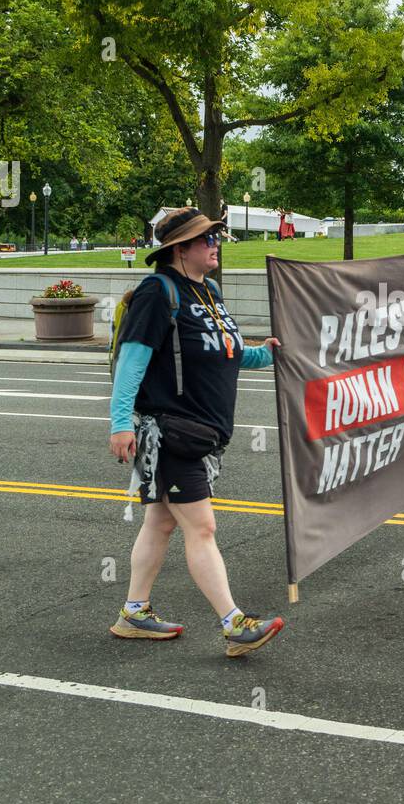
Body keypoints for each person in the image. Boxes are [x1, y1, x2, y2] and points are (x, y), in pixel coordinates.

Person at [108, 206, 284, 657]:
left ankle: (134, 613)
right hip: (171, 431)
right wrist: (120, 422)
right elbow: (132, 360)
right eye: (207, 240)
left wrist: (265, 354)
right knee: (201, 526)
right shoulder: (156, 292)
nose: (215, 245)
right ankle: (234, 623)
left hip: (202, 433)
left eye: (215, 238)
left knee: (161, 522)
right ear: (179, 249)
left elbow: (226, 351)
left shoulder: (209, 290)